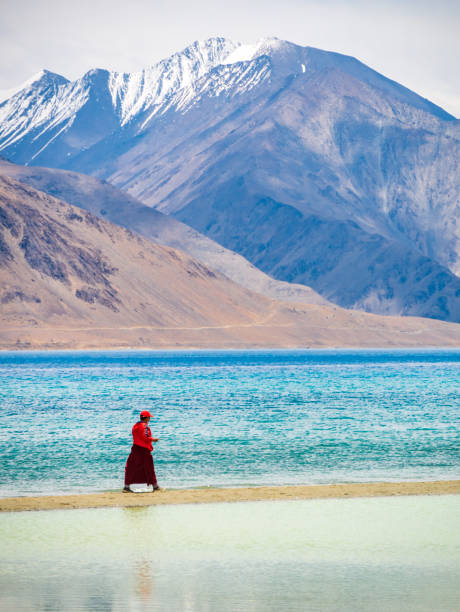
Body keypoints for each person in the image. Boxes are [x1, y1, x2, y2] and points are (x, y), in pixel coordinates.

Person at [124, 410, 159, 492]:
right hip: (144, 449)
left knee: (131, 467)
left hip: (135, 448)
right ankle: (155, 486)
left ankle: (126, 487)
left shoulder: (135, 425)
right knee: (149, 467)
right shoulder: (145, 426)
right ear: (146, 418)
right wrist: (153, 439)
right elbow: (145, 437)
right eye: (149, 417)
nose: (149, 419)